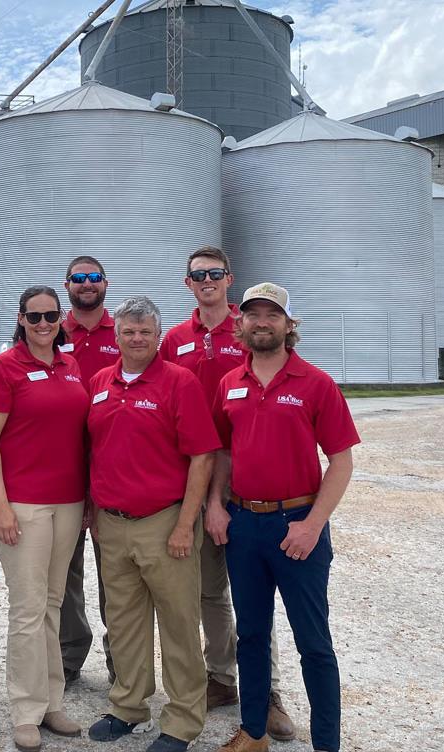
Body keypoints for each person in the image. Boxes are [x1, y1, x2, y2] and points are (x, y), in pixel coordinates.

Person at [210, 283, 359, 752]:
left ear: (288, 324)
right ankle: (253, 733)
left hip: (297, 525)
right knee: (251, 635)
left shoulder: (315, 383)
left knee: (313, 642)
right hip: (244, 526)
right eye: (253, 314)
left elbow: (341, 461)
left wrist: (313, 524)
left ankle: (326, 744)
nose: (261, 321)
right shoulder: (229, 382)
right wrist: (216, 505)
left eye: (272, 314)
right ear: (242, 324)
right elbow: (222, 453)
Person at [159, 247, 296, 737]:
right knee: (208, 590)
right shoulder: (173, 339)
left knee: (254, 593)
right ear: (188, 283)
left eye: (216, 274)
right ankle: (220, 676)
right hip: (192, 477)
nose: (208, 281)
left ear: (229, 280)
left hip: (245, 478)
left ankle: (271, 691)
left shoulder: (251, 332)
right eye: (199, 275)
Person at [85, 296, 221, 752]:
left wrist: (186, 525)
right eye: (129, 331)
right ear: (117, 336)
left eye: (145, 332)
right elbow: (93, 450)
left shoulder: (179, 382)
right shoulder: (101, 382)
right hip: (112, 523)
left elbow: (202, 457)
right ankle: (128, 705)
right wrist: (95, 512)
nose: (137, 339)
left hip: (164, 523)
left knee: (180, 622)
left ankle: (183, 719)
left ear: (158, 336)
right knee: (123, 622)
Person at [0, 286, 90, 752]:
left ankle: (51, 704)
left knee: (51, 603)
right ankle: (25, 709)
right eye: (34, 317)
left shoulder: (71, 365)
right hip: (20, 503)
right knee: (27, 608)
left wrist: (86, 501)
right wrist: (0, 504)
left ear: (60, 317)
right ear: (21, 320)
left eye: (49, 316)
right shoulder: (4, 369)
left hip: (66, 503)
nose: (43, 325)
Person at [58, 255, 120, 685]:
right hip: (60, 468)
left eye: (93, 277)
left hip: (112, 468)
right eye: (78, 278)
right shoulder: (48, 329)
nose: (86, 284)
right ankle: (67, 653)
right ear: (67, 285)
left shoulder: (126, 332)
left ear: (105, 283)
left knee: (115, 573)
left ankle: (122, 660)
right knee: (63, 572)